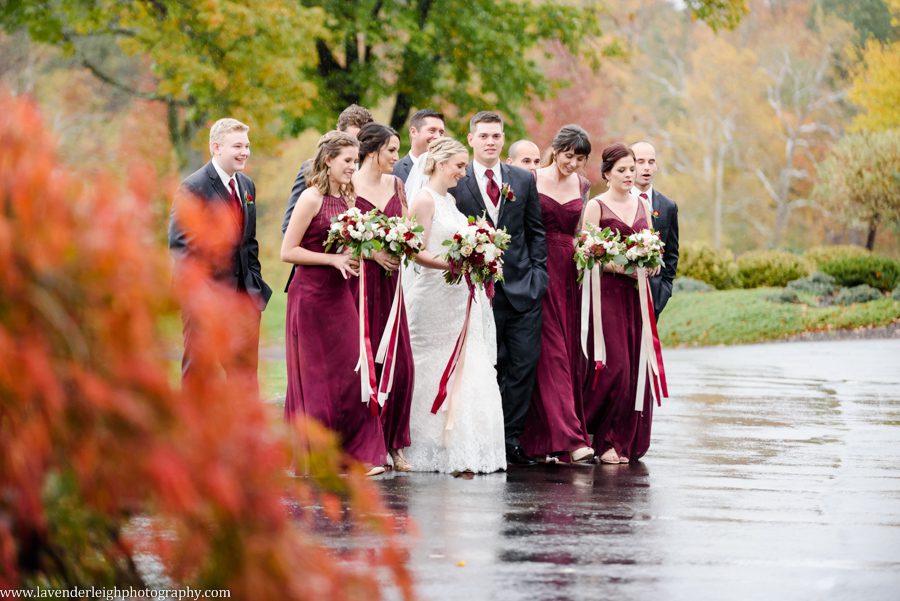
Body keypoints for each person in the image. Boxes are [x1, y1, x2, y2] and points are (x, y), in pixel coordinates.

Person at [281, 131, 387, 476]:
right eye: (347, 161)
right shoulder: (311, 198)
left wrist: (374, 252)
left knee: (351, 369)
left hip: (340, 294)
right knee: (315, 376)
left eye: (355, 162)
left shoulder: (349, 200)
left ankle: (355, 455)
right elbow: (288, 251)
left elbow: (347, 245)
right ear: (329, 160)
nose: (352, 167)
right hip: (310, 295)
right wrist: (333, 261)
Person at [450, 111, 548, 466]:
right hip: (475, 291)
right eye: (485, 135)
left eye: (497, 135)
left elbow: (535, 230)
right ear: (471, 138)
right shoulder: (456, 181)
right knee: (485, 366)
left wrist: (539, 276)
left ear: (503, 139)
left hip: (523, 289)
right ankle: (483, 438)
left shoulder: (522, 180)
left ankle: (510, 440)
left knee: (523, 365)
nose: (491, 141)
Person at [403, 136, 506, 474]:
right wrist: (452, 264)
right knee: (431, 362)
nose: (464, 172)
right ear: (441, 163)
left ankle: (465, 446)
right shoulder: (424, 200)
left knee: (471, 364)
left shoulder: (451, 202)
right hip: (433, 295)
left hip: (460, 296)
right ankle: (425, 445)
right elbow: (413, 249)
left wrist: (481, 258)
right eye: (460, 166)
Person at [168, 118, 272, 392]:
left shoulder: (247, 185)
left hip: (244, 299)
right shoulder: (194, 187)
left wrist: (255, 286)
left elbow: (249, 242)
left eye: (247, 146)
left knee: (245, 374)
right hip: (205, 300)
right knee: (200, 372)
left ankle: (247, 433)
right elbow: (181, 249)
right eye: (237, 146)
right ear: (216, 147)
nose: (244, 152)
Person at [581, 143, 661, 464]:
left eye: (632, 169)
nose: (630, 175)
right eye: (623, 170)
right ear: (606, 174)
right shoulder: (595, 207)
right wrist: (621, 266)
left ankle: (624, 438)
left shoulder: (642, 205)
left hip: (637, 297)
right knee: (616, 367)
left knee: (635, 368)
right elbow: (585, 254)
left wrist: (652, 263)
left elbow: (654, 249)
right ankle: (599, 436)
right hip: (607, 296)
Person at [519, 125, 594, 464]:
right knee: (552, 353)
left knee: (568, 349)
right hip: (541, 268)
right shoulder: (531, 179)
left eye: (580, 159)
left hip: (571, 273)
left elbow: (579, 232)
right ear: (556, 149)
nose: (573, 164)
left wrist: (587, 250)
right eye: (568, 155)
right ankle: (571, 438)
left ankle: (543, 440)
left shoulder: (582, 185)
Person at [351, 123, 415, 472]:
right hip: (361, 285)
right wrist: (372, 252)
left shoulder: (397, 185)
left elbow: (407, 226)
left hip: (392, 285)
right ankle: (369, 444)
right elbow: (340, 230)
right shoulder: (350, 186)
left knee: (401, 365)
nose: (396, 156)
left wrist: (403, 244)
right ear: (373, 150)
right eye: (391, 150)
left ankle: (395, 441)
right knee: (366, 366)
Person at [280, 105, 373, 290]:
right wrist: (329, 257)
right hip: (313, 281)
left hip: (348, 280)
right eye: (352, 139)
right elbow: (289, 229)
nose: (354, 163)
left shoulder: (360, 183)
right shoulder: (310, 177)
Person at [631, 141, 679, 320]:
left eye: (651, 162)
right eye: (640, 161)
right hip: (621, 291)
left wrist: (664, 288)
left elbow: (672, 253)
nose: (646, 167)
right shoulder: (617, 203)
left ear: (656, 165)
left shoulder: (668, 206)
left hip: (654, 293)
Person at [392, 109, 445, 183]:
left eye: (441, 133)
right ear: (414, 132)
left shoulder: (447, 174)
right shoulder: (393, 171)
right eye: (432, 131)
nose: (438, 137)